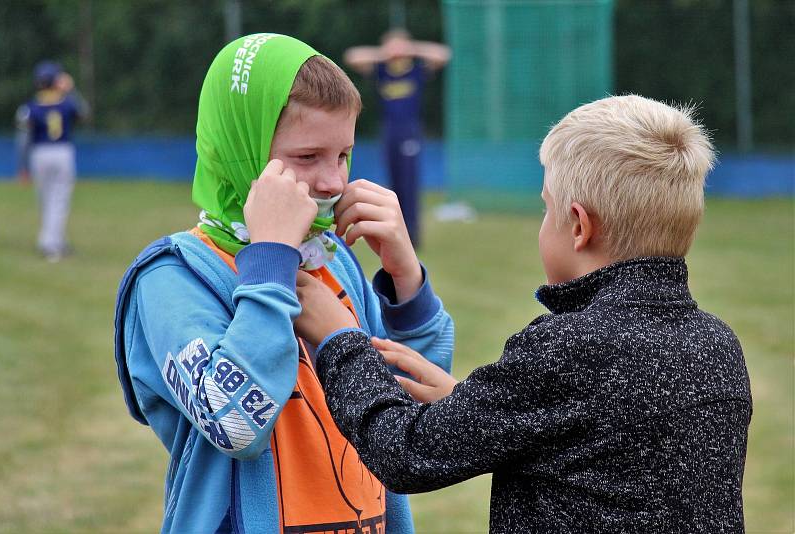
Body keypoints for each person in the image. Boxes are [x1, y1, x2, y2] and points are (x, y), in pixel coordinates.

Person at [296, 95, 752, 532]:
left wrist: (341, 340)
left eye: (545, 208)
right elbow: (601, 448)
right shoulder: (718, 345)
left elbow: (405, 452)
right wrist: (470, 404)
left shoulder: (571, 347)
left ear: (578, 226)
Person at [113, 34, 453, 534]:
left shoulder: (333, 264)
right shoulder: (173, 279)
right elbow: (235, 424)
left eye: (343, 155)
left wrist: (407, 281)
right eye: (308, 157)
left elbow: (414, 406)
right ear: (240, 153)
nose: (335, 182)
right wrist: (269, 264)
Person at [344, 29, 451, 249]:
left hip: (409, 130)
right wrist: (385, 53)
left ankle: (412, 237)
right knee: (393, 186)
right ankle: (395, 232)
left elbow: (443, 54)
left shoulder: (415, 69)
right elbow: (352, 56)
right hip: (389, 130)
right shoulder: (382, 69)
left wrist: (411, 49)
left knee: (408, 183)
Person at [16, 61, 88, 262]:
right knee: (59, 200)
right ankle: (50, 243)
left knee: (45, 198)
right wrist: (71, 90)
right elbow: (84, 112)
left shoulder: (30, 107)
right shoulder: (66, 102)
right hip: (62, 152)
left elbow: (23, 139)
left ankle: (55, 240)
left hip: (39, 153)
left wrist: (22, 166)